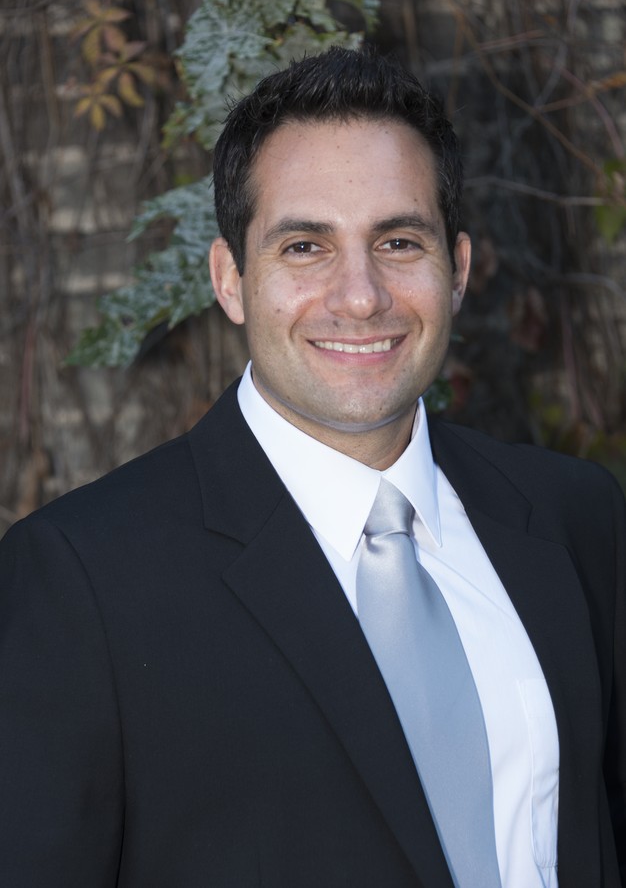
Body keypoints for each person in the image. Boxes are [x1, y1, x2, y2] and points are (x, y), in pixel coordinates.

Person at [0, 47, 624, 888]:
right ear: (230, 280)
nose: (360, 296)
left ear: (459, 270)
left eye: (398, 241)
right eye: (304, 246)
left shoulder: (577, 519)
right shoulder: (82, 582)